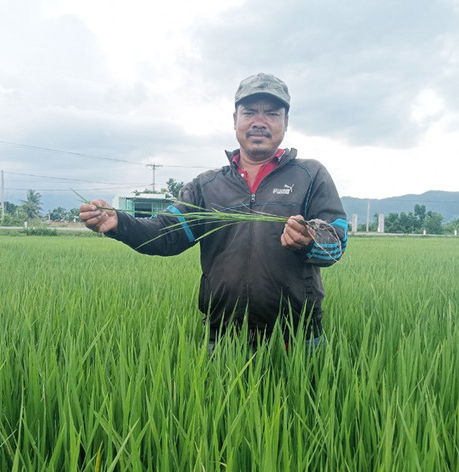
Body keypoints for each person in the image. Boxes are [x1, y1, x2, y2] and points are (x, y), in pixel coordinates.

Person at [79, 73, 347, 349]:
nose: (259, 121)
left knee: (303, 393)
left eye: (272, 113)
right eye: (250, 112)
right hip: (224, 339)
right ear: (235, 120)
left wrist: (309, 241)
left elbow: (337, 241)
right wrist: (119, 223)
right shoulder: (207, 186)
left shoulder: (310, 175)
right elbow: (167, 233)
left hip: (298, 338)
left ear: (285, 122)